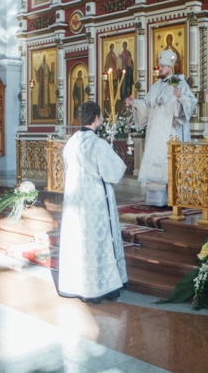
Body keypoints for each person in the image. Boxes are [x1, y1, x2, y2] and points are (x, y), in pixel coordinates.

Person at [58, 102, 128, 303]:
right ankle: (100, 287)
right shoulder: (98, 144)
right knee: (97, 241)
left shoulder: (71, 142)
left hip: (75, 199)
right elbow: (113, 172)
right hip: (95, 201)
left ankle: (76, 284)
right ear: (96, 118)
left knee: (78, 240)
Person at [126, 50, 197, 206]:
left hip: (171, 132)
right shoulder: (155, 86)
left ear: (170, 68)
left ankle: (175, 198)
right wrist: (135, 103)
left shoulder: (180, 83)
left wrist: (180, 98)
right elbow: (147, 105)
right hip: (155, 134)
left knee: (170, 164)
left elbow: (191, 102)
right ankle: (158, 200)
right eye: (159, 66)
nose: (160, 69)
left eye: (163, 66)